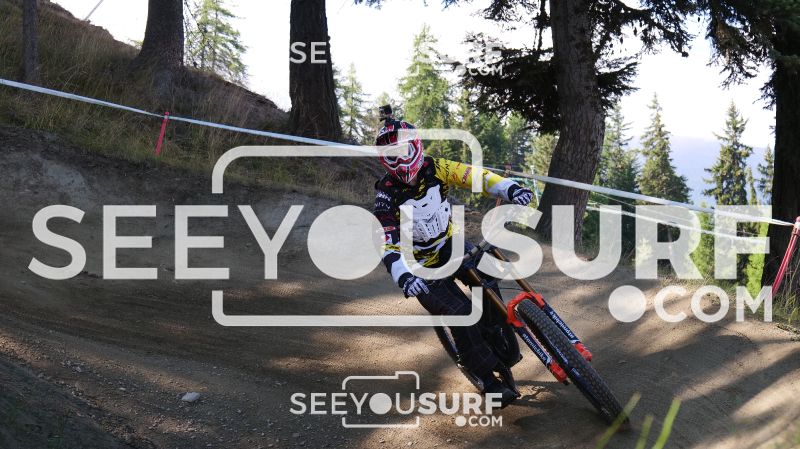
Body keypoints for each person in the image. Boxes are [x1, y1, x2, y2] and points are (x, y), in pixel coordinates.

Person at [372, 106, 534, 408]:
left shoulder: (436, 168)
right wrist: (403, 277)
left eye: (404, 149)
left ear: (416, 146)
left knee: (488, 272)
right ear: (385, 158)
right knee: (460, 313)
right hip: (419, 266)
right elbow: (387, 244)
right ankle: (487, 380)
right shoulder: (386, 197)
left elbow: (475, 176)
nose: (401, 159)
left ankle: (495, 329)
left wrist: (510, 189)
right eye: (393, 154)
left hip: (449, 244)